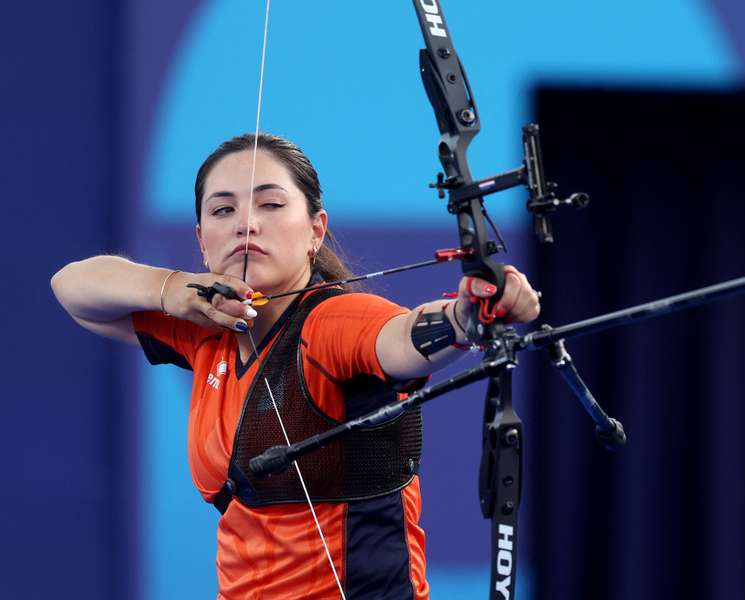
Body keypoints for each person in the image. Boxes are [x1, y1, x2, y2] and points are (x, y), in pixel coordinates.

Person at [51, 133, 540, 599]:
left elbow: (403, 337)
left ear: (315, 230)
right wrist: (168, 286)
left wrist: (467, 315)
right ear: (202, 238)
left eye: (271, 204)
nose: (246, 223)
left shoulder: (334, 321)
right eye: (223, 209)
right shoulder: (205, 330)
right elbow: (72, 288)